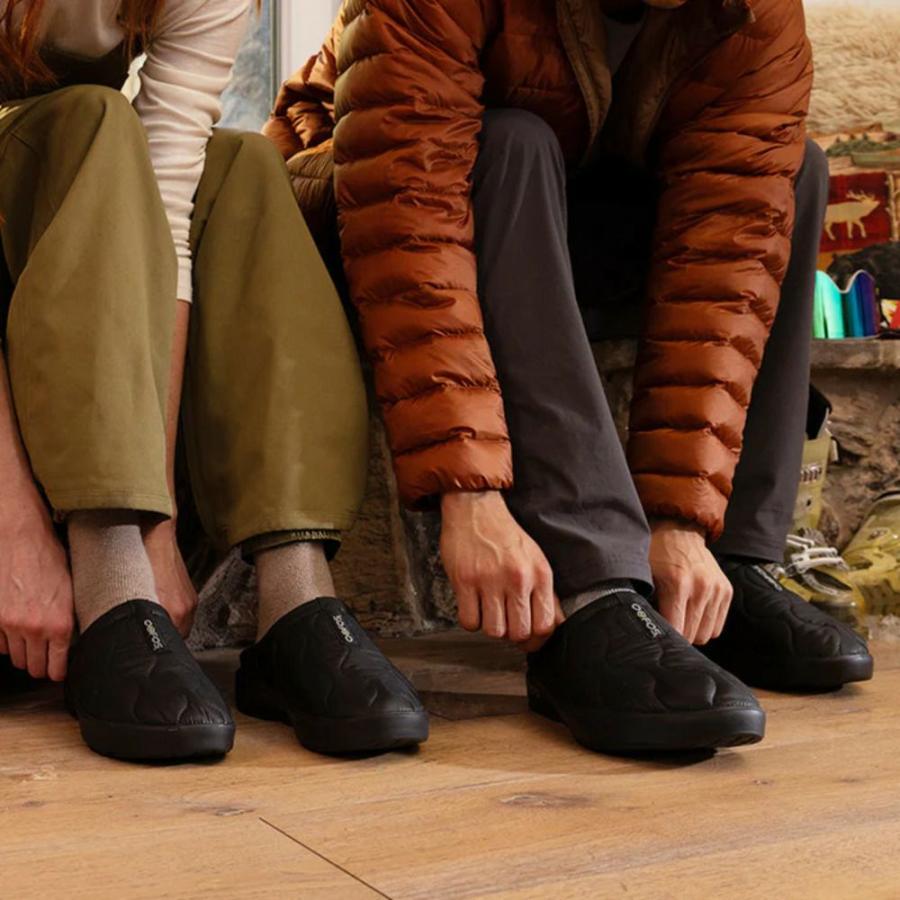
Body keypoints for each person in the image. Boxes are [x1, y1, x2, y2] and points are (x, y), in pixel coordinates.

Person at [266, 0, 874, 755]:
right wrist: (470, 497)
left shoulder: (757, 10)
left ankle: (731, 569)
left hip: (567, 209)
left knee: (791, 171)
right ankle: (594, 586)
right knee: (513, 137)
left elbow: (727, 260)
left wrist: (681, 523)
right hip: (368, 196)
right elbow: (407, 210)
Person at [0, 0, 428, 762]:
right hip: (45, 168)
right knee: (95, 121)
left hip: (70, 194)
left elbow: (166, 214)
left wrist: (160, 525)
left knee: (245, 168)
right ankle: (109, 583)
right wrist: (15, 530)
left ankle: (297, 600)